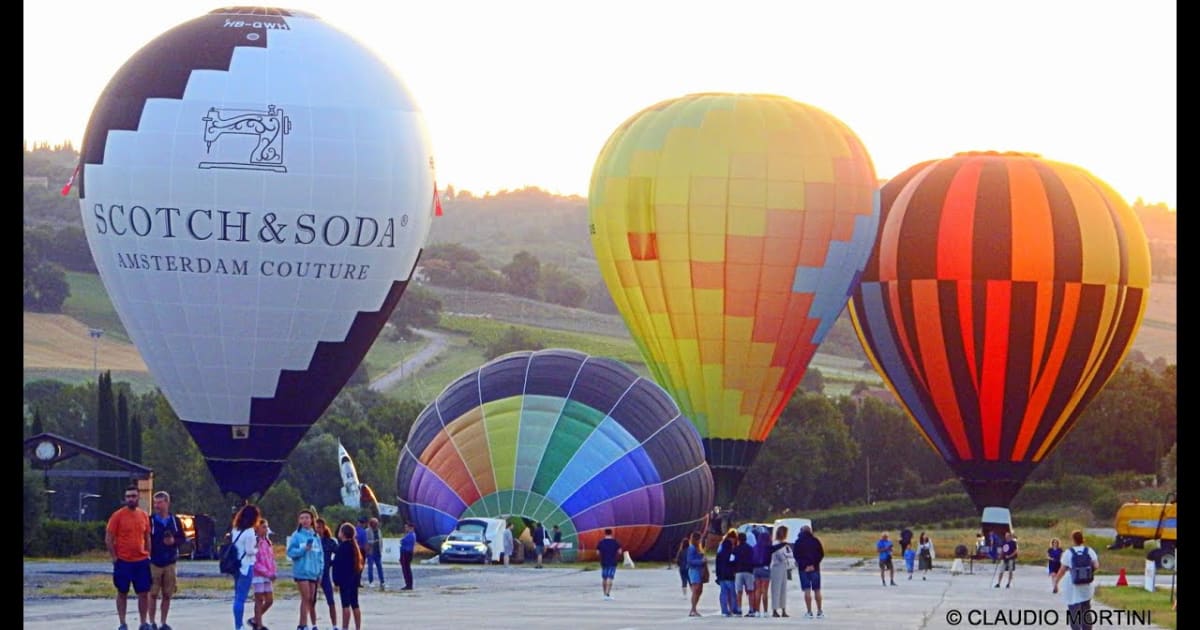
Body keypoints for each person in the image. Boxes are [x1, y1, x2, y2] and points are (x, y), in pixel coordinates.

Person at [106, 485, 153, 630]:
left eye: (133, 496)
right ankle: (122, 623)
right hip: (123, 561)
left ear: (138, 497)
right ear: (125, 499)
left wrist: (148, 554)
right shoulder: (117, 516)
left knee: (144, 593)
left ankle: (143, 622)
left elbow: (147, 537)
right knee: (122, 592)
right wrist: (115, 557)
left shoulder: (144, 515)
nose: (131, 499)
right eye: (128, 496)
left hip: (141, 561)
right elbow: (108, 538)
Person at [147, 491, 183, 630]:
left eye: (160, 502)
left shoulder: (175, 521)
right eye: (155, 503)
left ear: (167, 503)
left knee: (167, 594)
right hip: (154, 562)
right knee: (153, 593)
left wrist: (174, 541)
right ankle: (152, 622)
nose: (157, 506)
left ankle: (163, 622)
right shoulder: (151, 521)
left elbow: (182, 539)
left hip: (170, 562)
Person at [1053, 530, 1099, 630]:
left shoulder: (1068, 553)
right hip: (1086, 584)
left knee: (1073, 609)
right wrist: (1086, 572)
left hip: (1072, 583)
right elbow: (1096, 565)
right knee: (1086, 609)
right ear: (1083, 539)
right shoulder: (1089, 551)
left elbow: (1062, 570)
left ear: (1073, 540)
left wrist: (1056, 582)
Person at [286, 509, 324, 630]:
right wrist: (303, 550)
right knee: (306, 597)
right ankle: (302, 624)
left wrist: (320, 571)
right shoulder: (296, 536)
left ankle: (308, 623)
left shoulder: (315, 536)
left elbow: (320, 555)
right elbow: (290, 552)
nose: (305, 520)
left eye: (307, 518)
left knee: (311, 599)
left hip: (313, 572)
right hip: (302, 571)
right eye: (302, 518)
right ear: (299, 520)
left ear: (311, 520)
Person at [228, 503, 260, 630]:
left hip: (236, 565)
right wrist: (257, 549)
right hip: (246, 565)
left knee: (237, 596)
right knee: (241, 597)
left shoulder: (235, 530)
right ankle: (239, 626)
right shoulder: (250, 532)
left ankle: (238, 623)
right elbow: (250, 550)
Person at [333, 523, 365, 630]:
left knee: (345, 605)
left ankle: (345, 627)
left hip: (344, 580)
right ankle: (358, 627)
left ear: (343, 533)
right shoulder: (354, 547)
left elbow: (337, 565)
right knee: (355, 604)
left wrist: (336, 581)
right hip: (353, 579)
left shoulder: (342, 547)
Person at [250, 517, 277, 630]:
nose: (266, 529)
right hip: (259, 575)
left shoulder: (267, 542)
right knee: (259, 599)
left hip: (268, 575)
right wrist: (266, 572)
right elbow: (255, 561)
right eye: (263, 527)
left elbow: (271, 559)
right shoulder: (255, 542)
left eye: (267, 527)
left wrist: (273, 571)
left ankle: (255, 619)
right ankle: (259, 625)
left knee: (269, 600)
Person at [793, 525, 825, 619]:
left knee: (807, 590)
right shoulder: (815, 541)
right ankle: (819, 611)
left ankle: (809, 612)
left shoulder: (798, 542)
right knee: (817, 590)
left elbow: (796, 556)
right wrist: (813, 565)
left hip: (803, 569)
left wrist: (805, 565)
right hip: (815, 568)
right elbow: (821, 554)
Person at [313, 518, 339, 630]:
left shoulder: (329, 542)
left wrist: (331, 563)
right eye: (315, 527)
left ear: (324, 528)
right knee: (311, 600)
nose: (317, 529)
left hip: (325, 575)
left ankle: (334, 625)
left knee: (331, 600)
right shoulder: (312, 540)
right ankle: (314, 625)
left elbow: (339, 554)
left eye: (319, 527)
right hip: (313, 575)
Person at [768, 525, 791, 618]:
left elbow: (790, 554)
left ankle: (783, 609)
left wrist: (787, 555)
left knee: (783, 589)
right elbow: (780, 556)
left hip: (783, 567)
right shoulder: (776, 543)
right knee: (776, 589)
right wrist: (787, 556)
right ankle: (774, 609)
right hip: (776, 567)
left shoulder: (784, 544)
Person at [714, 529, 739, 617]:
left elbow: (717, 562)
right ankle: (734, 609)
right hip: (729, 574)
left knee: (723, 592)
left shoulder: (720, 548)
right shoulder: (730, 550)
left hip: (721, 574)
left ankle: (724, 610)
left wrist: (717, 574)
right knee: (732, 593)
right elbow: (732, 562)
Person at [733, 532, 756, 616]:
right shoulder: (750, 548)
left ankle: (739, 609)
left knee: (739, 591)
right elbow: (753, 559)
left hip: (739, 571)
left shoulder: (736, 549)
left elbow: (732, 560)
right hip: (748, 571)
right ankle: (751, 609)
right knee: (750, 591)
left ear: (738, 539)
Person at [596, 528, 623, 600]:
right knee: (610, 577)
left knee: (604, 578)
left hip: (604, 562)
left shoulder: (601, 542)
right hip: (612, 562)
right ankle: (608, 594)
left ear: (605, 533)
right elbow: (620, 552)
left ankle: (604, 593)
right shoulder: (615, 542)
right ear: (611, 533)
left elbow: (597, 553)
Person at [751, 525, 771, 616]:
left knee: (757, 591)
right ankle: (766, 611)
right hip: (765, 569)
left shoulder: (754, 547)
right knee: (765, 591)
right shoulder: (768, 547)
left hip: (756, 569)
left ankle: (757, 611)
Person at [686, 531, 707, 617]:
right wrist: (701, 561)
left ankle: (693, 608)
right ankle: (693, 609)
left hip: (699, 570)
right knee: (696, 590)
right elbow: (690, 561)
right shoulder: (692, 548)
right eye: (699, 539)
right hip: (694, 570)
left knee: (699, 590)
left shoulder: (698, 547)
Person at [365, 517, 384, 590]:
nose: (377, 525)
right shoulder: (367, 531)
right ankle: (371, 581)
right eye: (375, 523)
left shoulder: (379, 531)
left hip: (377, 551)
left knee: (380, 567)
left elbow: (381, 540)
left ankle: (382, 581)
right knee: (370, 567)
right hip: (371, 551)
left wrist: (381, 549)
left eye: (377, 523)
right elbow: (366, 541)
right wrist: (372, 542)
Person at [399, 522, 416, 590]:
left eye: (407, 527)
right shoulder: (409, 535)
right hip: (405, 552)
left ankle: (409, 584)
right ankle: (408, 584)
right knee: (406, 569)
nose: (406, 529)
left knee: (406, 569)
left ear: (410, 527)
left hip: (406, 553)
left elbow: (403, 541)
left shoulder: (411, 535)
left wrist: (402, 540)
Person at [354, 516, 369, 586]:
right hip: (361, 550)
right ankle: (357, 582)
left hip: (354, 550)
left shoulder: (353, 530)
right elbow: (365, 543)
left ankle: (354, 581)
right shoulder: (363, 532)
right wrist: (367, 552)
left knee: (354, 566)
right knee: (360, 566)